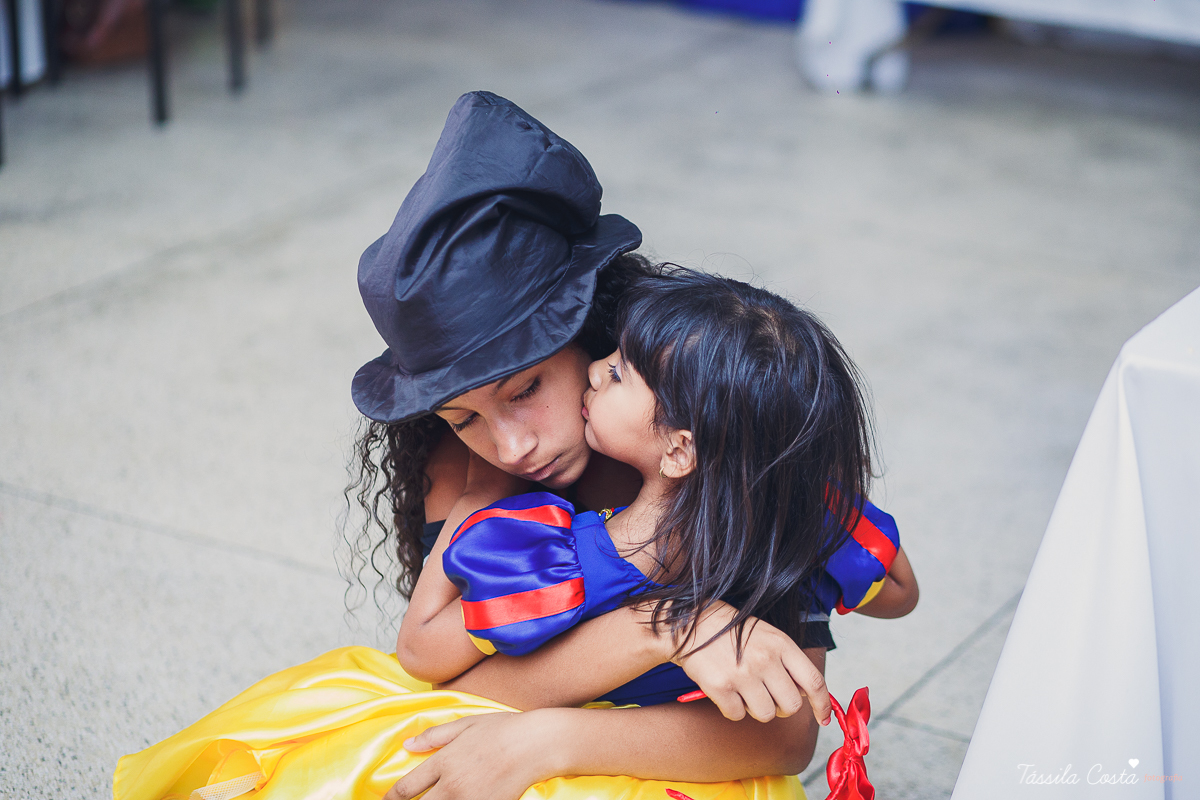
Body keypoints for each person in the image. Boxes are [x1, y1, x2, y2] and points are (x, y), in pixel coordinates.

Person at [113, 92, 917, 800]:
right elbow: (453, 690)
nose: (510, 445)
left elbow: (785, 736)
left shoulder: (722, 443)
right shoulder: (468, 473)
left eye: (526, 388)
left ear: (590, 332)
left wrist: (553, 739)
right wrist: (665, 626)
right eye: (463, 416)